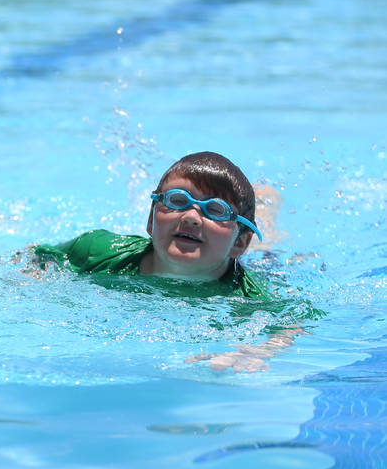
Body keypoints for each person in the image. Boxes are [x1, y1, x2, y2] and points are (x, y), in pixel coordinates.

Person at [26, 151, 306, 371]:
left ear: (240, 242)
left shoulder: (245, 294)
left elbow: (295, 320)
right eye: (177, 200)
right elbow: (36, 255)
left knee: (268, 251)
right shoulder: (99, 249)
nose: (191, 217)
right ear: (150, 219)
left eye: (216, 210)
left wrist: (260, 349)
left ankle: (266, 206)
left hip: (262, 265)